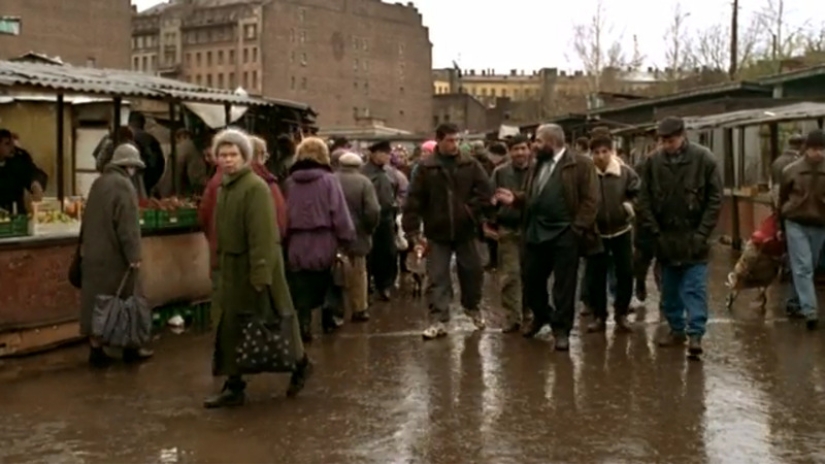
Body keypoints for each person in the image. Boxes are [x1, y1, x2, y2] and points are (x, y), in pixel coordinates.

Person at [205, 128, 312, 408]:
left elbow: (263, 234)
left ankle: (300, 362)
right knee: (232, 326)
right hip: (231, 268)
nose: (228, 159)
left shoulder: (255, 187)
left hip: (254, 268)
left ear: (245, 157)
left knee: (273, 321)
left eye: (233, 154)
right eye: (223, 155)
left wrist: (260, 273)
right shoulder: (225, 187)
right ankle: (234, 384)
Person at [495, 123, 600, 351]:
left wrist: (577, 229)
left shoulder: (581, 164)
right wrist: (516, 199)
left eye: (538, 141)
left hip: (565, 234)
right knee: (531, 279)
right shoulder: (538, 164)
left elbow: (591, 201)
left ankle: (561, 330)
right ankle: (542, 315)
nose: (534, 146)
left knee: (564, 286)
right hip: (536, 232)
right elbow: (534, 195)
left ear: (552, 142)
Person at [637, 117, 722, 356]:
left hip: (694, 235)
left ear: (682, 136)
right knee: (670, 290)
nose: (667, 145)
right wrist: (655, 232)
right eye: (663, 141)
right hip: (666, 236)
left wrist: (702, 233)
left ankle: (695, 334)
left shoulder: (704, 159)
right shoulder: (653, 163)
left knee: (694, 288)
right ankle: (676, 328)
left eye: (671, 140)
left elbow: (715, 200)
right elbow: (644, 200)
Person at [403, 123, 493, 340]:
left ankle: (472, 307)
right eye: (450, 140)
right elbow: (414, 200)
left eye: (457, 140)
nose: (455, 144)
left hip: (466, 229)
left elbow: (485, 192)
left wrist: (471, 211)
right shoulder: (426, 168)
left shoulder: (470, 165)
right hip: (437, 230)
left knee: (473, 272)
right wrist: (413, 231)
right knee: (437, 277)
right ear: (439, 140)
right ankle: (438, 319)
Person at [79, 144, 149, 367]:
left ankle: (96, 349)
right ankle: (130, 347)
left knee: (97, 304)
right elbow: (128, 226)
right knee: (125, 301)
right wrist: (134, 255)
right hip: (115, 257)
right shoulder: (124, 186)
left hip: (93, 254)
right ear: (129, 166)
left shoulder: (99, 183)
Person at [285, 137, 356, 341]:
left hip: (296, 240)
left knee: (301, 283)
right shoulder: (329, 180)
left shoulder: (289, 182)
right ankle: (328, 319)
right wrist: (347, 237)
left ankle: (304, 323)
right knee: (326, 280)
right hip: (323, 239)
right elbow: (339, 211)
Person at [584, 135, 639, 334]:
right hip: (596, 232)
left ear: (612, 151)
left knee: (625, 273)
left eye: (604, 151)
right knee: (595, 276)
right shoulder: (587, 174)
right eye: (596, 152)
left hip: (621, 230)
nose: (601, 156)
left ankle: (621, 313)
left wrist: (628, 208)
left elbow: (637, 193)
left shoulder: (625, 173)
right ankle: (599, 315)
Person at [779, 129, 825, 331]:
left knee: (808, 265)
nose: (818, 153)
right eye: (815, 148)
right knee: (804, 266)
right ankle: (810, 311)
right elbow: (782, 197)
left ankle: (794, 302)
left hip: (820, 222)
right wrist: (781, 223)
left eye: (822, 149)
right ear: (807, 149)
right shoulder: (791, 170)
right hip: (796, 221)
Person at [490, 135, 532, 333]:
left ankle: (529, 312)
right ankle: (512, 317)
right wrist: (491, 220)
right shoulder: (500, 172)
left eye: (523, 148)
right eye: (515, 149)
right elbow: (489, 199)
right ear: (509, 151)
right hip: (508, 229)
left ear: (529, 149)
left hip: (533, 229)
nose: (520, 153)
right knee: (510, 274)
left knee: (530, 274)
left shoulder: (538, 170)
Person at [335, 152, 381, 322]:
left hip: (334, 234)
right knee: (358, 272)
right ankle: (359, 308)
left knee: (335, 271)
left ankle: (336, 309)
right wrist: (369, 228)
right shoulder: (364, 182)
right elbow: (373, 210)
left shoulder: (331, 180)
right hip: (358, 234)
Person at [771, 133, 805, 317]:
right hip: (795, 211)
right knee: (798, 255)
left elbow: (774, 189)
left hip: (784, 210)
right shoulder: (797, 163)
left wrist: (777, 211)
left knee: (788, 245)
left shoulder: (778, 162)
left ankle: (785, 269)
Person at [362, 140, 400, 301]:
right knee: (370, 255)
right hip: (370, 218)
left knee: (388, 253)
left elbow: (396, 190)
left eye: (388, 153)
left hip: (387, 217)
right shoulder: (364, 173)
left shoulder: (389, 172)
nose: (387, 156)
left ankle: (384, 285)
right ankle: (368, 286)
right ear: (374, 154)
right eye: (383, 153)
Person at [0, 129, 44, 214]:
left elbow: (32, 172)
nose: (11, 148)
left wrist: (35, 184)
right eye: (7, 144)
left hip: (16, 213)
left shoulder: (18, 161)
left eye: (11, 144)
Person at [128, 111, 166, 195]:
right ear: (143, 123)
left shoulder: (126, 138)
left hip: (133, 180)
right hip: (148, 179)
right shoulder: (150, 139)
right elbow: (159, 162)